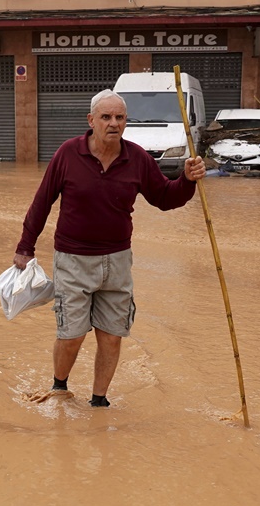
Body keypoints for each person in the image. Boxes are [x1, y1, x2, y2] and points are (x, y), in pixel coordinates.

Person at [12, 88, 206, 408]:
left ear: (126, 122)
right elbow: (42, 203)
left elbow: (165, 198)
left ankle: (99, 401)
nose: (113, 123)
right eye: (106, 117)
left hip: (117, 262)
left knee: (112, 336)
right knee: (72, 334)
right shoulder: (67, 154)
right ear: (91, 120)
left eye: (119, 117)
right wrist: (25, 247)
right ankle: (60, 387)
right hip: (72, 260)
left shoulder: (137, 158)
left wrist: (186, 180)